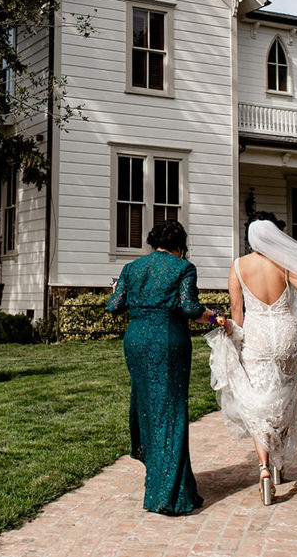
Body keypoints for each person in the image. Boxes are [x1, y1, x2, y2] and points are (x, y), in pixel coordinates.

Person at [205, 214, 297, 505]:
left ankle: (264, 467)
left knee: (259, 400)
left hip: (257, 335)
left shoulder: (238, 266)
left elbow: (237, 313)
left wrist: (232, 338)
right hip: (286, 332)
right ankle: (279, 466)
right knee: (285, 395)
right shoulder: (284, 264)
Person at [107, 220, 218, 516]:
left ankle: (175, 484)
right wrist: (216, 317)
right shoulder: (183, 268)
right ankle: (170, 495)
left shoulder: (131, 268)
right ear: (179, 245)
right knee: (171, 411)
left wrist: (117, 289)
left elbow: (114, 306)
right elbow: (190, 308)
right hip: (168, 341)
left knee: (148, 409)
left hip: (136, 342)